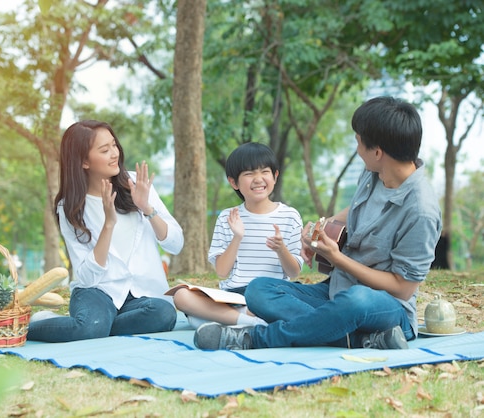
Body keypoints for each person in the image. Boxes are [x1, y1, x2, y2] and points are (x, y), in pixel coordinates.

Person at [194, 96, 442, 351]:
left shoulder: (421, 211)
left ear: (377, 152)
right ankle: (360, 339)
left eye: (358, 142)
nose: (357, 149)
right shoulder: (375, 172)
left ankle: (254, 338)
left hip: (384, 307)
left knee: (356, 301)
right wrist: (321, 229)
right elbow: (356, 209)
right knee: (258, 290)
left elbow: (402, 288)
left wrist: (338, 258)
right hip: (335, 291)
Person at [27, 120, 184, 343]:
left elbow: (176, 244)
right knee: (90, 327)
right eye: (104, 150)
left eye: (114, 145)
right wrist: (108, 226)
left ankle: (91, 325)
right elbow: (87, 277)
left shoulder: (136, 185)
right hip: (97, 292)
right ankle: (35, 326)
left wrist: (147, 209)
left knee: (164, 314)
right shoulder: (70, 206)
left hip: (141, 297)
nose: (114, 154)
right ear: (83, 161)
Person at [173, 142, 303, 329]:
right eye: (249, 174)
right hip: (234, 296)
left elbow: (294, 272)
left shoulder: (290, 216)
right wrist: (237, 237)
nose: (258, 179)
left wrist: (281, 249)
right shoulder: (228, 216)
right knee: (181, 296)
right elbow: (221, 272)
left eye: (264, 172)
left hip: (271, 295)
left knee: (197, 319)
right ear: (233, 182)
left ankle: (228, 320)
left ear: (275, 176)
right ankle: (247, 321)